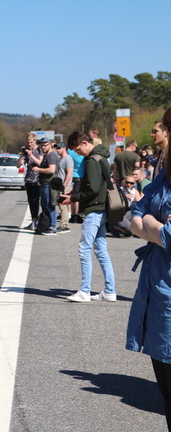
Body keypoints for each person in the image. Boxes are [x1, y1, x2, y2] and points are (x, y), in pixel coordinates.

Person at [126, 105, 171, 430]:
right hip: (159, 296)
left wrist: (150, 227)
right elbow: (134, 214)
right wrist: (155, 227)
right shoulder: (166, 172)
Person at [60, 131, 116, 302]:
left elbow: (92, 189)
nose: (78, 153)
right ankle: (110, 291)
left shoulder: (92, 160)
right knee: (101, 250)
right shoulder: (103, 157)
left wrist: (73, 198)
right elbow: (96, 186)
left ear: (85, 143)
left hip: (94, 210)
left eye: (78, 150)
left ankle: (85, 291)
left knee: (84, 249)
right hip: (102, 208)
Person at [32, 138, 59, 235]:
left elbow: (51, 170)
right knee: (45, 206)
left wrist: (38, 170)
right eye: (41, 145)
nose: (43, 147)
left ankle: (52, 226)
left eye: (45, 145)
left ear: (50, 144)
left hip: (49, 184)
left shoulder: (52, 155)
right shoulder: (46, 155)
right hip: (44, 183)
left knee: (49, 205)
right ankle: (46, 225)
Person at [17, 132, 43, 230]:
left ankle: (43, 222)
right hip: (29, 179)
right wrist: (23, 154)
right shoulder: (27, 151)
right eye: (28, 143)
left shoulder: (40, 150)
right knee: (31, 201)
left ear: (35, 141)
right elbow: (18, 165)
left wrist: (31, 155)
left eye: (31, 142)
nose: (30, 144)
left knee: (39, 201)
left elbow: (40, 163)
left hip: (38, 179)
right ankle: (34, 221)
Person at [54, 142, 73, 233]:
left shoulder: (68, 159)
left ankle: (64, 225)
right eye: (56, 148)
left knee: (63, 206)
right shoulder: (60, 159)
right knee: (61, 206)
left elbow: (69, 173)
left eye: (59, 148)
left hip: (66, 186)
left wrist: (64, 185)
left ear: (64, 148)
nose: (57, 150)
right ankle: (63, 224)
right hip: (61, 186)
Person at [68, 144, 85, 224]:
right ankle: (76, 215)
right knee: (77, 197)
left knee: (72, 195)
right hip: (80, 175)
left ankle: (71, 214)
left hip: (71, 175)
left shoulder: (69, 151)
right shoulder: (82, 154)